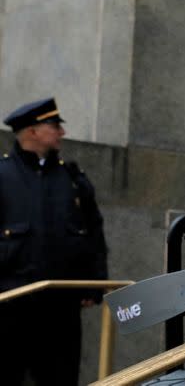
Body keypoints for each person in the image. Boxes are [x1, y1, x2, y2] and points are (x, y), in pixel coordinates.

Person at [0, 97, 108, 386]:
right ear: (32, 131)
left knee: (60, 377)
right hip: (11, 307)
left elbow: (93, 232)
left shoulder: (71, 178)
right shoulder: (3, 175)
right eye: (54, 125)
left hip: (61, 308)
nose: (61, 132)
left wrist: (95, 283)